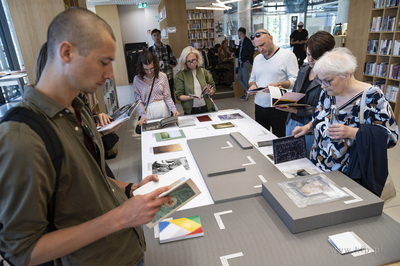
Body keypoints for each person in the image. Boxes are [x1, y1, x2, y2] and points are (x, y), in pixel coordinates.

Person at [0, 8, 170, 265]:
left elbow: (94, 180)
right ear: (67, 52)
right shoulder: (22, 137)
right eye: (104, 62)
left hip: (127, 250)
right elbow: (23, 251)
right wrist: (121, 218)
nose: (111, 74)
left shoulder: (80, 111)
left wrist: (129, 189)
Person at [292, 48, 398, 196]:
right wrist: (308, 127)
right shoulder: (328, 91)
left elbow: (391, 137)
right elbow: (323, 116)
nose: (322, 85)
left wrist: (353, 132)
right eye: (319, 80)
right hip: (318, 168)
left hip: (348, 176)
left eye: (327, 80)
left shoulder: (371, 96)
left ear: (346, 74)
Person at [277, 31, 335, 154]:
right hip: (291, 121)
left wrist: (298, 110)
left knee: (307, 166)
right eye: (308, 54)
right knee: (291, 160)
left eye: (315, 56)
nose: (310, 60)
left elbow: (326, 111)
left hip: (310, 127)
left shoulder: (330, 77)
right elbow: (296, 92)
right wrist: (285, 101)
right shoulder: (304, 69)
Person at [247, 29, 298, 138]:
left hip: (280, 106)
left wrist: (279, 84)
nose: (260, 49)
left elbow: (295, 81)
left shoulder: (287, 55)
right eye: (257, 47)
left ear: (271, 39)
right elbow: (252, 78)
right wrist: (252, 85)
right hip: (260, 106)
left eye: (262, 45)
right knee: (261, 138)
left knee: (280, 138)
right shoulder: (257, 59)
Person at [134, 50, 179, 126]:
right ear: (141, 67)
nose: (149, 72)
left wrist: (173, 109)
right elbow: (138, 101)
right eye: (146, 69)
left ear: (155, 65)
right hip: (148, 111)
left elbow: (167, 97)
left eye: (151, 68)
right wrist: (143, 115)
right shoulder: (137, 79)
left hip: (163, 109)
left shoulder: (162, 76)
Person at [175, 46, 216, 115]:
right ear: (184, 62)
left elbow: (213, 88)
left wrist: (210, 91)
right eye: (188, 61)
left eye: (194, 60)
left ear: (197, 58)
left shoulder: (203, 71)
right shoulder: (180, 75)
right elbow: (179, 96)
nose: (192, 64)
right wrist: (190, 97)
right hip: (191, 110)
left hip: (206, 107)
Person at [149, 28, 178, 102]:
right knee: (159, 96)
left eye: (158, 35)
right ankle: (163, 111)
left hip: (168, 76)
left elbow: (175, 61)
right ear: (152, 37)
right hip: (156, 78)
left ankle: (172, 112)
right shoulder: (150, 50)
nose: (156, 37)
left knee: (170, 95)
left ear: (160, 36)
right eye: (154, 35)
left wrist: (173, 64)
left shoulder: (167, 48)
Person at [234, 27, 255, 101]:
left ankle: (246, 94)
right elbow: (239, 50)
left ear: (241, 33)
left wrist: (248, 60)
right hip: (241, 63)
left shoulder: (247, 41)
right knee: (238, 78)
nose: (238, 35)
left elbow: (252, 50)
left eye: (239, 33)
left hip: (245, 63)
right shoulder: (241, 42)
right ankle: (247, 91)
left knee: (245, 79)